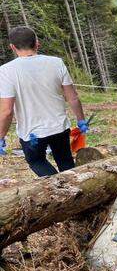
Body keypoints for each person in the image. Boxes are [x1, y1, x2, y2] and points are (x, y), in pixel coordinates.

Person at [0, 26, 89, 177]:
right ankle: (74, 188)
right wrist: (81, 120)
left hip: (31, 134)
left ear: (12, 47)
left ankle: (60, 188)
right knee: (65, 161)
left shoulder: (6, 70)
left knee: (37, 162)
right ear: (37, 43)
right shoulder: (56, 63)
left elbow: (7, 111)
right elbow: (72, 97)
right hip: (59, 127)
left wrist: (1, 136)